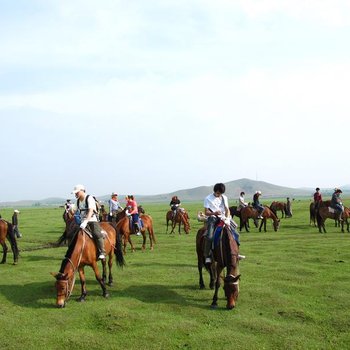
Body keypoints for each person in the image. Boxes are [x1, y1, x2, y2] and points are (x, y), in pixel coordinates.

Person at [72, 184, 106, 260]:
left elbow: (91, 211)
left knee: (97, 234)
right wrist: (71, 210)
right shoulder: (77, 201)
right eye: (75, 193)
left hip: (91, 221)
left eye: (77, 192)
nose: (75, 194)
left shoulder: (89, 198)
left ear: (82, 191)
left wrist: (86, 221)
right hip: (82, 222)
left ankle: (102, 252)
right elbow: (74, 209)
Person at [203, 183, 230, 264]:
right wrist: (214, 213)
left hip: (224, 218)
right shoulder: (208, 198)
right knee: (210, 236)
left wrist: (227, 218)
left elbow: (227, 209)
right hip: (213, 218)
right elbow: (206, 212)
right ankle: (207, 255)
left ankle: (235, 253)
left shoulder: (224, 198)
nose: (219, 195)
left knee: (235, 233)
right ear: (215, 191)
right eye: (218, 193)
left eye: (221, 193)